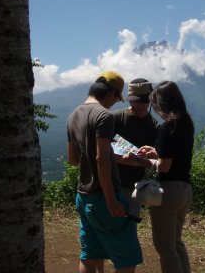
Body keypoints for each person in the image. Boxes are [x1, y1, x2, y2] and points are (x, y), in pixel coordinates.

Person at [67, 71, 143, 273]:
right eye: (117, 99)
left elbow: (73, 160)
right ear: (111, 94)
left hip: (83, 196)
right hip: (103, 196)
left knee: (90, 255)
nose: (114, 104)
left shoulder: (73, 115)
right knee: (127, 258)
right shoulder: (104, 116)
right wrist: (111, 199)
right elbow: (101, 160)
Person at [139, 81, 194, 273]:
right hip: (185, 190)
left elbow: (164, 167)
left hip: (168, 192)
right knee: (176, 243)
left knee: (165, 247)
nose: (154, 108)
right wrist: (155, 151)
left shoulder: (165, 127)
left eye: (155, 103)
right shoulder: (186, 124)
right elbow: (174, 155)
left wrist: (142, 161)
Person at [113, 78, 159, 217]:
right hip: (109, 183)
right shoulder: (117, 118)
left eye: (144, 101)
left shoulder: (153, 125)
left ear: (150, 100)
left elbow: (155, 154)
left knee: (128, 225)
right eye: (135, 101)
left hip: (133, 186)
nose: (139, 105)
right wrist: (126, 160)